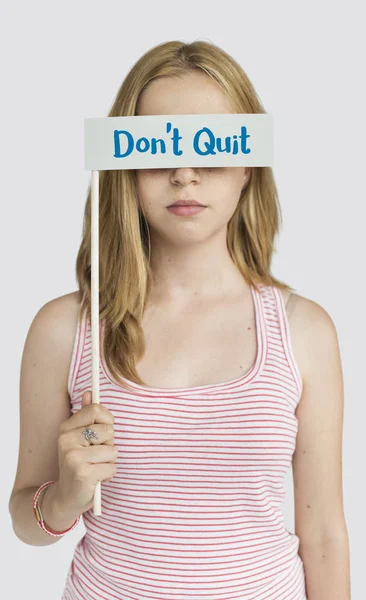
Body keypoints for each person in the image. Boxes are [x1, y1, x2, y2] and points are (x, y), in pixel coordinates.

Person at [8, 39, 350, 600]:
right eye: (158, 147)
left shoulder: (304, 331)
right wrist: (66, 494)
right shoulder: (64, 329)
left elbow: (325, 534)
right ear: (125, 165)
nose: (184, 173)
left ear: (247, 167)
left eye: (211, 146)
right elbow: (27, 518)